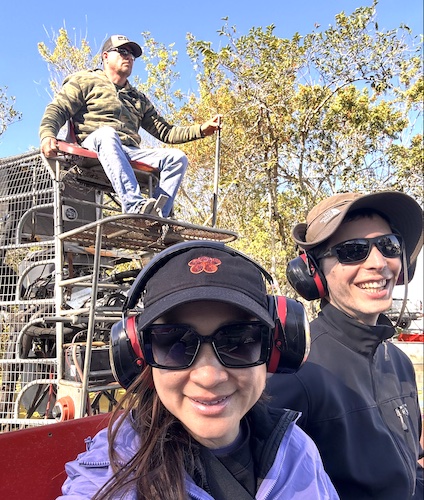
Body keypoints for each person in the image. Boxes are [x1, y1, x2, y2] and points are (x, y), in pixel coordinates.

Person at [57, 241, 339, 499]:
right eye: (173, 342)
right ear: (140, 355)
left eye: (239, 341)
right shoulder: (112, 473)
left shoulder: (297, 450)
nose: (209, 376)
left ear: (274, 351)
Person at [267, 191, 424, 499]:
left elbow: (410, 468)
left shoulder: (399, 362)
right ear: (312, 274)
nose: (378, 263)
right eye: (353, 251)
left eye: (388, 246)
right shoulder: (295, 372)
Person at [39, 34, 221, 217]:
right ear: (105, 56)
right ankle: (135, 206)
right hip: (94, 147)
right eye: (122, 51)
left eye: (132, 55)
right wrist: (47, 135)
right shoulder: (85, 81)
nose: (128, 57)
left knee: (177, 158)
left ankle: (156, 218)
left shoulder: (137, 98)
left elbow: (166, 132)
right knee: (107, 134)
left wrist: (201, 130)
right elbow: (58, 109)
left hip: (128, 151)